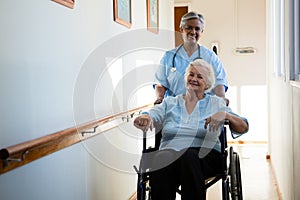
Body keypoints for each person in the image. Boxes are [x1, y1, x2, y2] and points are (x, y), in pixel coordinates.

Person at [134, 59, 248, 200]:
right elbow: (153, 113)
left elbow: (243, 126)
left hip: (205, 157)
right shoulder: (170, 102)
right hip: (170, 156)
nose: (194, 79)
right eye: (191, 75)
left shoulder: (216, 103)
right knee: (161, 157)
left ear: (207, 84)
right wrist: (145, 117)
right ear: (186, 77)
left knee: (188, 156)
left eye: (200, 77)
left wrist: (225, 115)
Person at [154, 11, 228, 105]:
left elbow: (219, 82)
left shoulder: (210, 57)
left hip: (203, 109)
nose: (193, 32)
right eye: (189, 27)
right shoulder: (169, 56)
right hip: (174, 109)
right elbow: (160, 83)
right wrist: (160, 98)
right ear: (181, 29)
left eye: (197, 29)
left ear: (201, 32)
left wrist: (222, 99)